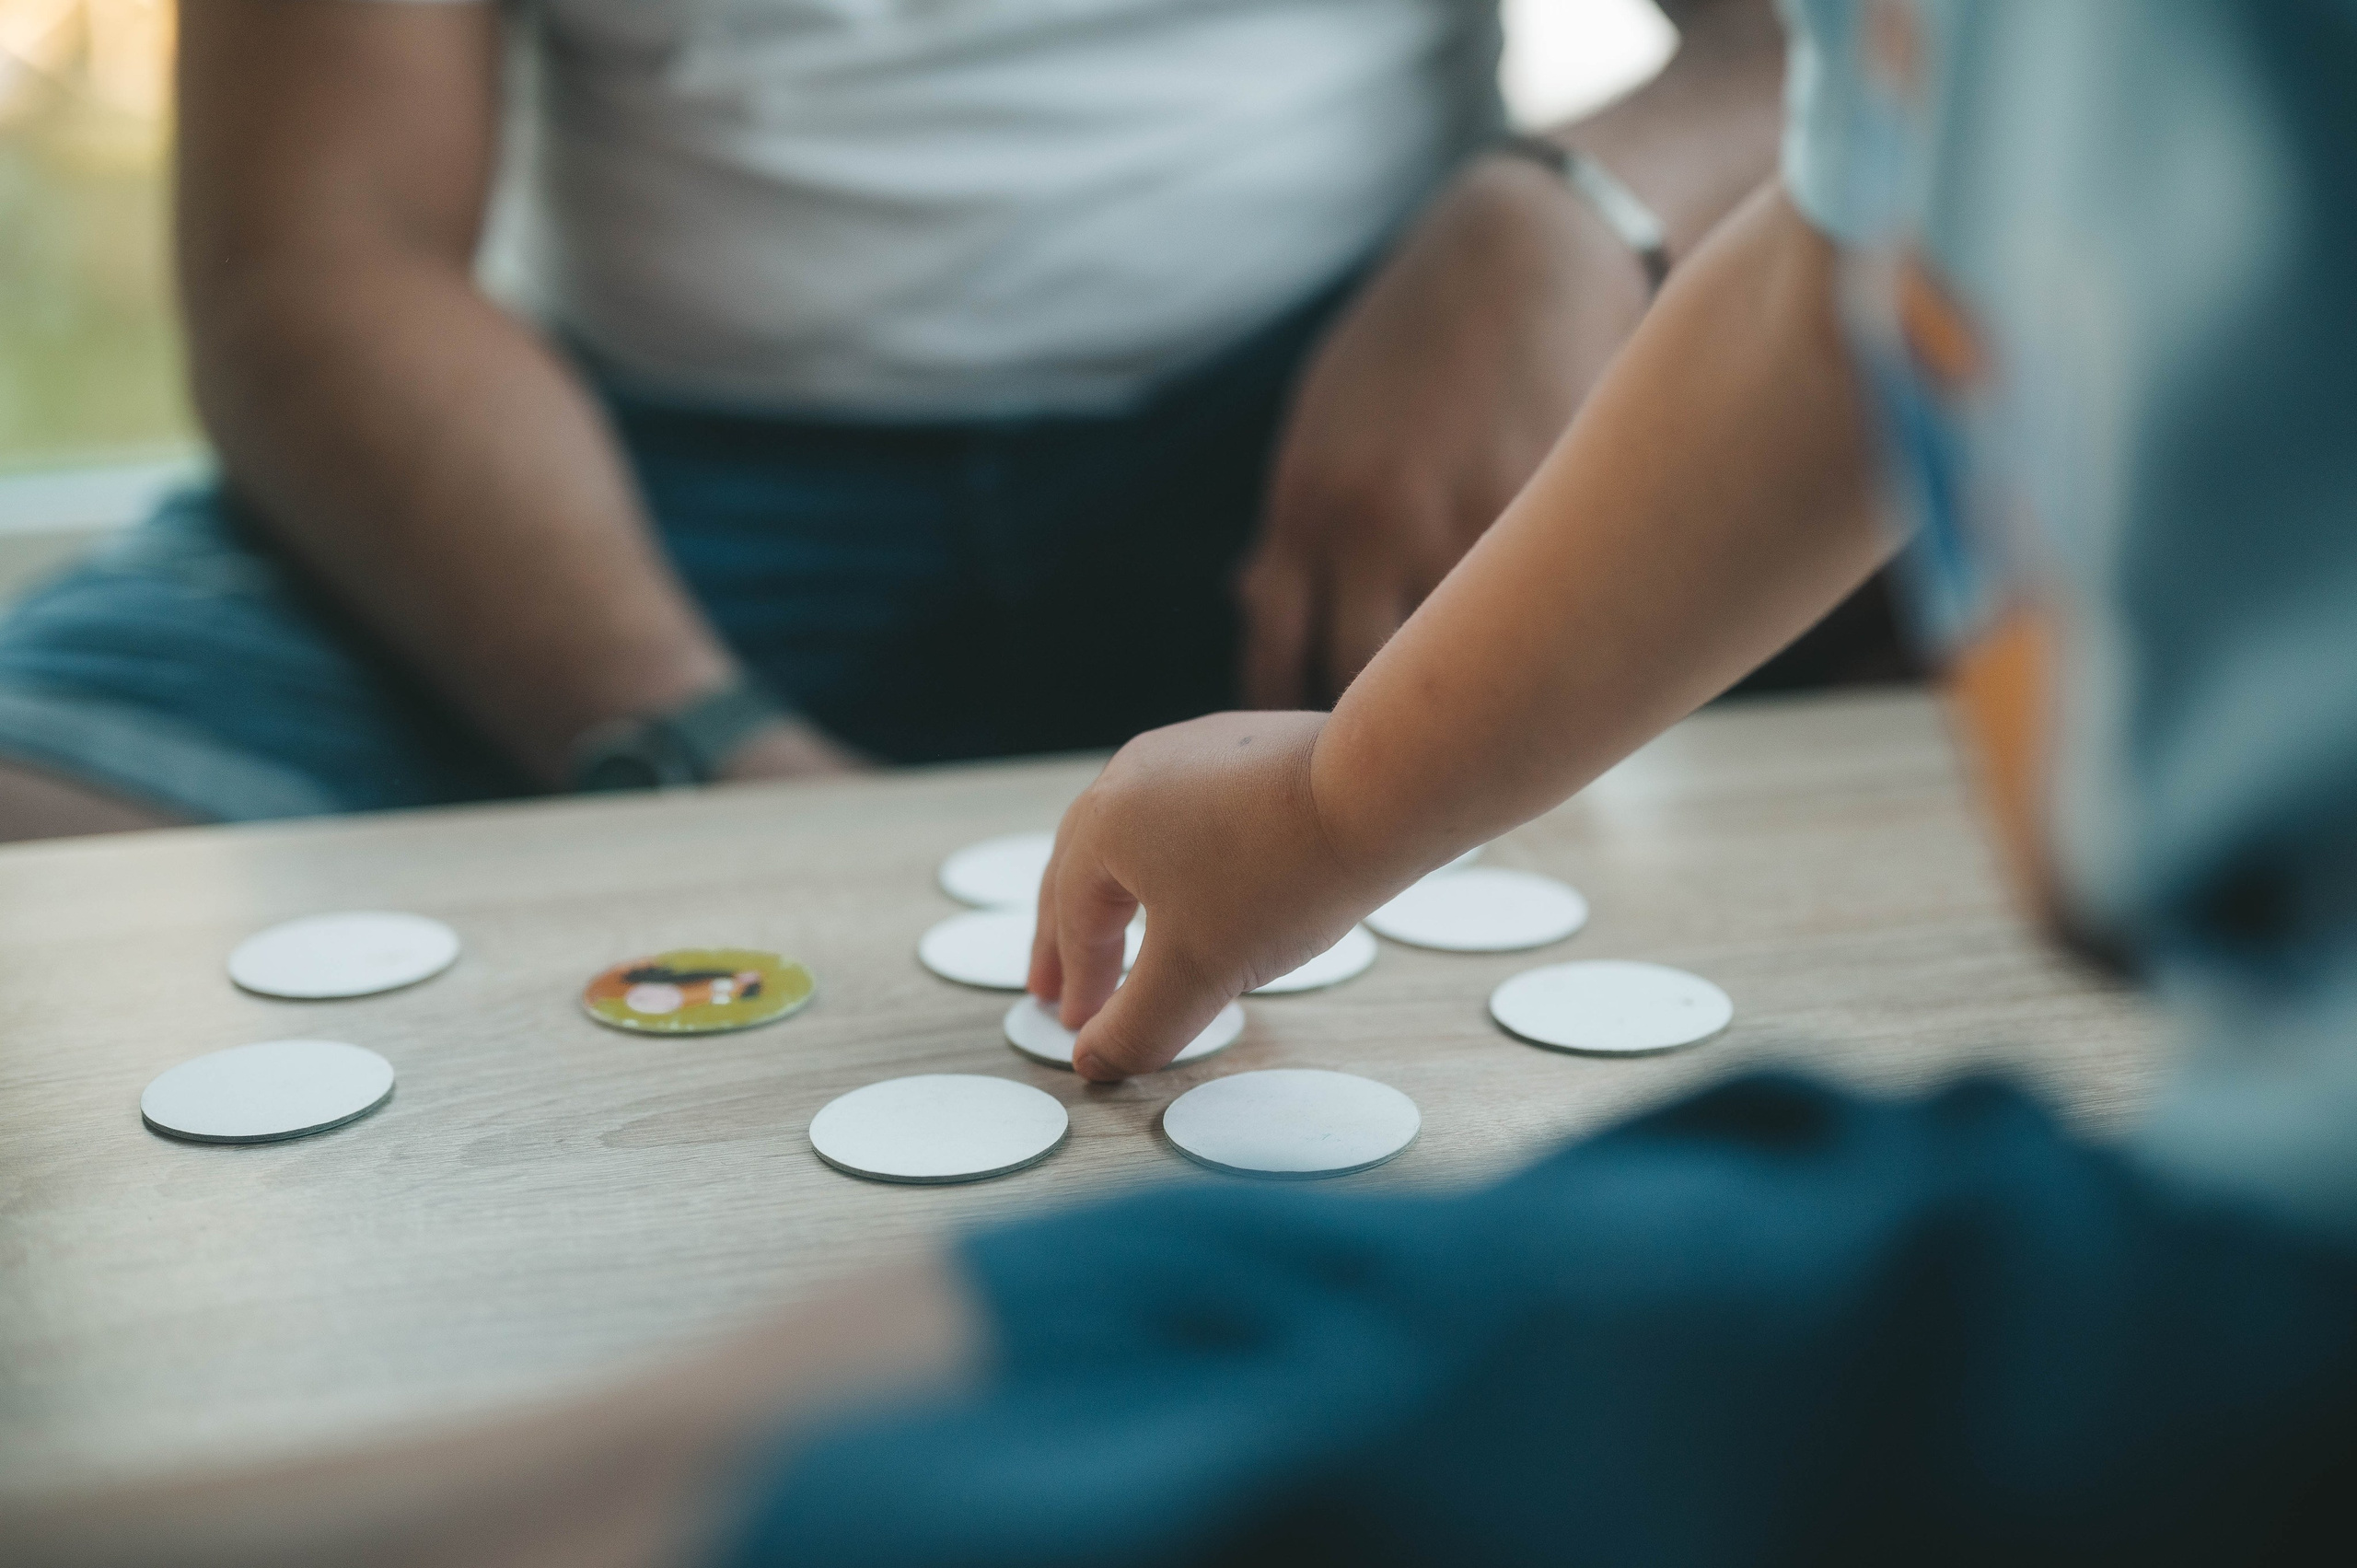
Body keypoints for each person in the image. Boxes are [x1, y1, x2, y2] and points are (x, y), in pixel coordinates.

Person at [18, 1, 2357, 1562]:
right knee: (1089, 1312)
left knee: (1049, 1416)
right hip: (650, 459)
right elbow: (1856, 239)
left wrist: (1570, 206)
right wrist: (1335, 805)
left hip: (1320, 405)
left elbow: (1820, 232)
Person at [0, 0, 1794, 843]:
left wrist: (1569, 210)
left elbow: (1850, 49)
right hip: (619, 501)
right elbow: (315, 264)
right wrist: (694, 750)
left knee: (1914, 551)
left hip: (1338, 448)